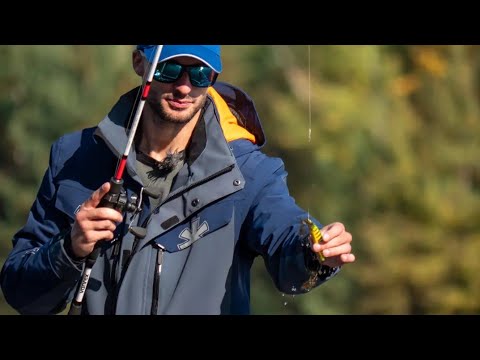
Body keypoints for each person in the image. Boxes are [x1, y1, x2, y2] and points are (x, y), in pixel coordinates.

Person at [0, 45, 355, 315]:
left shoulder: (250, 172)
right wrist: (70, 249)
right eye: (171, 70)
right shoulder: (73, 157)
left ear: (213, 78)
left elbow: (288, 241)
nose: (185, 87)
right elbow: (20, 292)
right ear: (140, 64)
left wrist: (316, 252)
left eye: (200, 74)